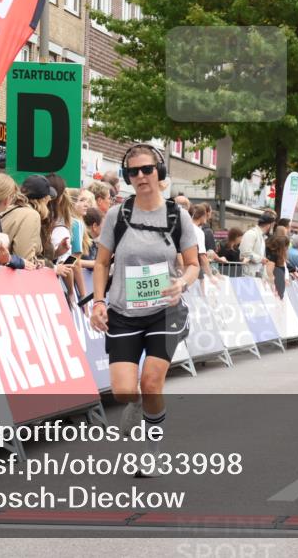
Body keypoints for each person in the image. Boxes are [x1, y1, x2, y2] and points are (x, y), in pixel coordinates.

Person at [89, 144, 200, 477]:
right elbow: (101, 263)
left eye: (147, 169)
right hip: (124, 312)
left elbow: (194, 264)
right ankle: (135, 403)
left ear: (159, 172)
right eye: (133, 171)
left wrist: (182, 283)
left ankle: (152, 453)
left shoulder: (177, 216)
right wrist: (98, 302)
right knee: (124, 391)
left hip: (165, 311)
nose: (141, 176)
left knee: (151, 382)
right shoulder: (117, 215)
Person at [0, 174, 55, 264]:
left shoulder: (12, 208)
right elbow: (25, 259)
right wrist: (51, 267)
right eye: (48, 198)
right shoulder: (31, 215)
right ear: (44, 199)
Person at [239, 211, 276, 277]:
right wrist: (261, 259)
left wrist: (261, 259)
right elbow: (245, 253)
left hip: (256, 273)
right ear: (269, 225)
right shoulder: (251, 233)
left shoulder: (261, 235)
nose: (272, 227)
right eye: (272, 224)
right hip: (248, 274)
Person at [266, 233, 291, 298]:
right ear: (283, 246)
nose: (287, 248)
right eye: (287, 246)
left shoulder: (279, 256)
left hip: (279, 285)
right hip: (276, 288)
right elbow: (269, 271)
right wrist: (272, 285)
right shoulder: (274, 256)